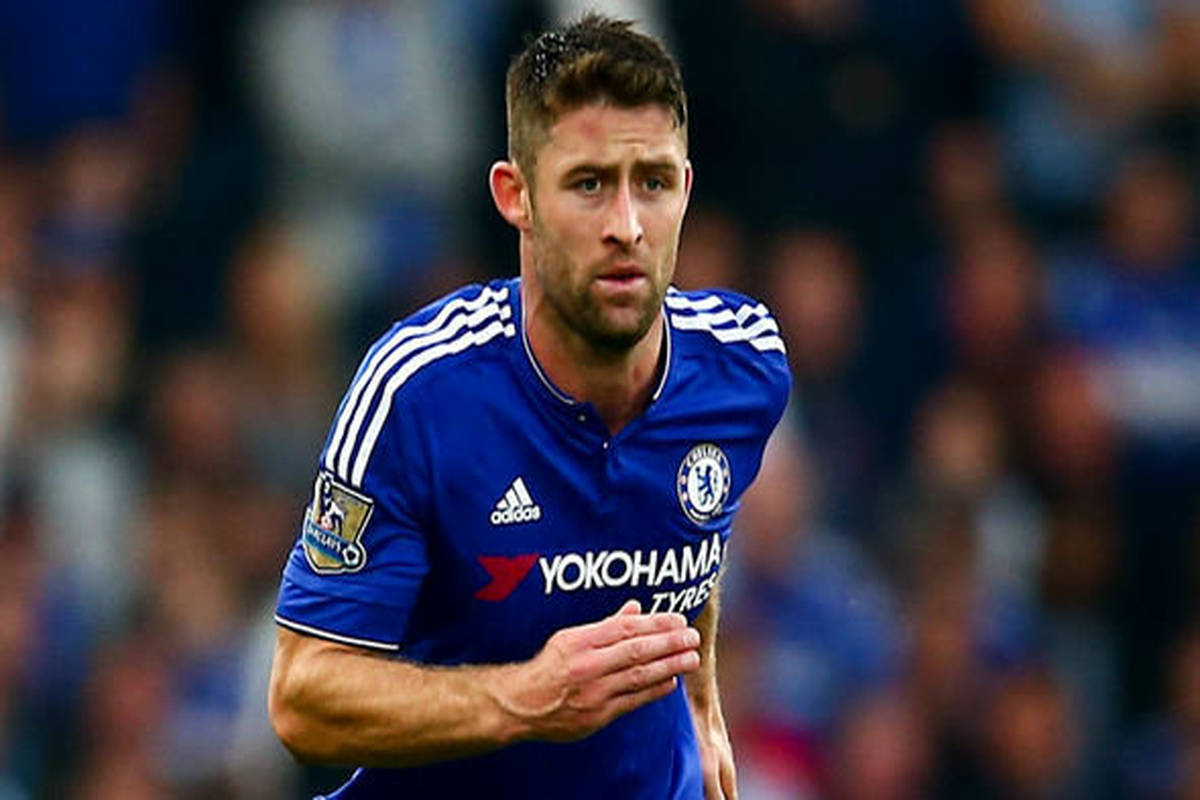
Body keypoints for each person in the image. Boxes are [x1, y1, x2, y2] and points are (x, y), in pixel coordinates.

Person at [268, 14, 790, 800]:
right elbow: (302, 696)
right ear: (516, 197)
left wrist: (701, 704)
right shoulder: (420, 393)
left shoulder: (744, 366)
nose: (626, 226)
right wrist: (523, 697)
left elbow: (695, 523)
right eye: (589, 184)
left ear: (686, 188)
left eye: (652, 182)